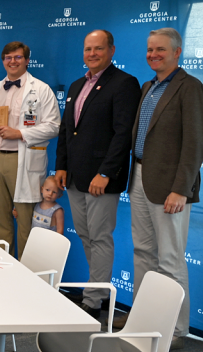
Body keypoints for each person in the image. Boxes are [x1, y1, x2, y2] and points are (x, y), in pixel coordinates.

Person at [120, 28, 203, 350]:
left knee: (170, 259)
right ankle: (144, 319)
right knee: (143, 253)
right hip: (140, 178)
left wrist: (181, 189)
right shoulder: (148, 87)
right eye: (149, 50)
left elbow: (195, 144)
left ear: (177, 52)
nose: (153, 54)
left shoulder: (191, 88)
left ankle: (175, 329)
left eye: (160, 49)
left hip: (170, 188)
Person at [55, 30, 140, 318]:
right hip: (76, 176)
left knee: (100, 237)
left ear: (111, 50)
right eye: (88, 49)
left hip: (101, 179)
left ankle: (92, 301)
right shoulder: (77, 85)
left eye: (98, 48)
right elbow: (67, 131)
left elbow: (122, 134)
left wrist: (106, 172)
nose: (92, 53)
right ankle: (98, 291)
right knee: (84, 234)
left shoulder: (125, 84)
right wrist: (62, 166)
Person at [0, 41, 60, 259]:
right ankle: (3, 267)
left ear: (27, 60)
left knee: (25, 219)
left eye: (17, 57)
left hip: (22, 158)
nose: (12, 61)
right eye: (8, 57)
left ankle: (27, 272)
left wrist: (20, 134)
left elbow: (53, 126)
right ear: (3, 61)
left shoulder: (41, 89)